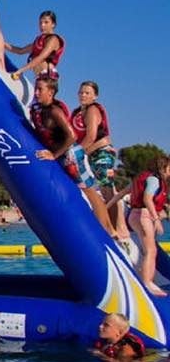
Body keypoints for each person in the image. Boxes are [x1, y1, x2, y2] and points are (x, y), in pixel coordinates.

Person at [30, 77, 115, 236]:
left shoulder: (55, 111)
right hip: (61, 155)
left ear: (51, 92)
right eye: (36, 89)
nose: (36, 92)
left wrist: (54, 155)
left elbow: (72, 136)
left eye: (40, 89)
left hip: (70, 155)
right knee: (82, 190)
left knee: (90, 191)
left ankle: (109, 230)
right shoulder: (37, 110)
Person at [70, 81, 128, 241]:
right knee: (98, 190)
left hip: (102, 153)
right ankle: (106, 225)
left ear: (95, 96)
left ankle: (115, 229)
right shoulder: (77, 112)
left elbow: (91, 137)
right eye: (81, 92)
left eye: (87, 93)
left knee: (106, 189)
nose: (83, 95)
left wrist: (76, 153)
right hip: (89, 154)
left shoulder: (93, 110)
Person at [127, 155, 169, 297]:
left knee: (148, 249)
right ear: (162, 168)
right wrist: (156, 219)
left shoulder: (144, 178)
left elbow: (122, 193)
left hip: (134, 215)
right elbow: (147, 198)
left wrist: (108, 205)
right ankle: (147, 283)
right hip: (143, 215)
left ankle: (146, 280)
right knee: (151, 251)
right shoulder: (154, 180)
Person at [7, 11, 65, 81]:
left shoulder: (54, 39)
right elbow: (20, 51)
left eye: (46, 22)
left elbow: (41, 57)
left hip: (48, 77)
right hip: (39, 77)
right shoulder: (39, 41)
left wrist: (21, 70)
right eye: (40, 23)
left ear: (53, 24)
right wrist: (3, 44)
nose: (42, 25)